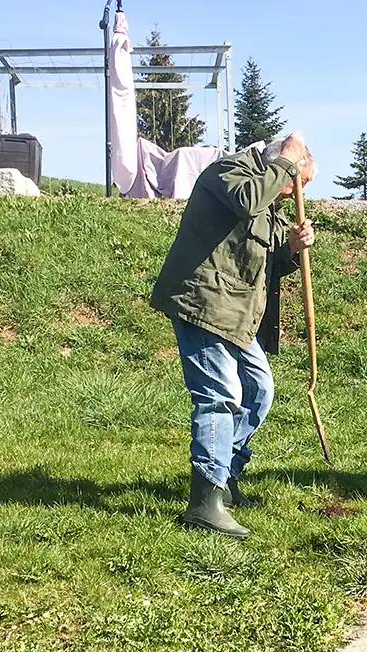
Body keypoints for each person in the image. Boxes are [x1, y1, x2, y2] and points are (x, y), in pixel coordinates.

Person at [150, 131, 318, 539]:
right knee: (219, 396)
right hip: (204, 301)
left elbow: (266, 262)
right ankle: (204, 502)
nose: (290, 194)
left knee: (260, 389)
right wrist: (287, 166)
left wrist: (291, 248)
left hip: (238, 314)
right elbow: (247, 200)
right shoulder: (230, 171)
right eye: (298, 183)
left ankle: (226, 475)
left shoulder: (269, 199)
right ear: (281, 164)